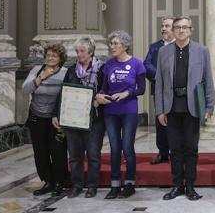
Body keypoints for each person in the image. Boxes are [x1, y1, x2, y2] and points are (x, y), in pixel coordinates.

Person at [155, 16, 215, 201]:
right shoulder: (163, 52)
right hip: (171, 106)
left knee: (191, 148)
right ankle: (176, 185)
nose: (181, 30)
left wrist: (209, 106)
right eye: (177, 27)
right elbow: (159, 82)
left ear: (190, 30)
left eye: (184, 27)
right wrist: (159, 110)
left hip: (193, 106)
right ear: (173, 31)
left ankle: (190, 186)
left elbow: (208, 80)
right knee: (175, 149)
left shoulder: (201, 50)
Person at [53, 37, 106, 198]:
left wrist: (99, 99)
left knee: (93, 155)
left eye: (82, 51)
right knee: (75, 156)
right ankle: (76, 185)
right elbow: (63, 93)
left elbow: (105, 90)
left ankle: (92, 186)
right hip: (72, 120)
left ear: (90, 52)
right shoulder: (71, 70)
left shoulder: (102, 69)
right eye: (77, 51)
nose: (79, 54)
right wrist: (56, 114)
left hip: (94, 120)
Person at [100, 30, 146, 199]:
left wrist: (127, 93)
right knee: (114, 148)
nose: (112, 47)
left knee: (127, 147)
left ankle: (130, 183)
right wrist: (100, 94)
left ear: (125, 46)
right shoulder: (108, 65)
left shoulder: (137, 64)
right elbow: (104, 87)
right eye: (111, 43)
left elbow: (141, 89)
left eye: (115, 43)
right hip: (110, 111)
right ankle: (114, 185)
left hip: (129, 111)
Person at [22, 43, 68, 197]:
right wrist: (41, 77)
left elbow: (68, 95)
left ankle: (59, 183)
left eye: (54, 55)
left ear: (60, 59)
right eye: (48, 55)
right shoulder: (37, 70)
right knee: (40, 152)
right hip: (36, 118)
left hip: (56, 120)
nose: (50, 58)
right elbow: (25, 89)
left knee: (58, 152)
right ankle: (47, 182)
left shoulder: (65, 73)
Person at [144, 16, 174, 165]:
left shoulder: (181, 46)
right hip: (159, 90)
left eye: (167, 26)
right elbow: (147, 64)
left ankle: (176, 152)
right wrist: (159, 76)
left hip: (177, 92)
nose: (163, 28)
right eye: (162, 26)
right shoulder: (155, 47)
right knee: (160, 121)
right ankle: (162, 152)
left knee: (175, 121)